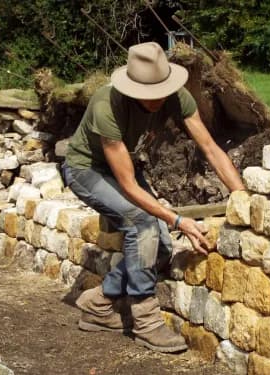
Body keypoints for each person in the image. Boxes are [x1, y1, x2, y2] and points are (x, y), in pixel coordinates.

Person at [61, 41, 245, 353]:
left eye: (161, 90)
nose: (157, 99)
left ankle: (100, 304)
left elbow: (211, 148)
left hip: (126, 167)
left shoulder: (176, 96)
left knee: (160, 248)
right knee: (142, 223)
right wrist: (178, 220)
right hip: (87, 169)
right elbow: (129, 187)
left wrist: (244, 198)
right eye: (148, 94)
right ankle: (145, 320)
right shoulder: (106, 104)